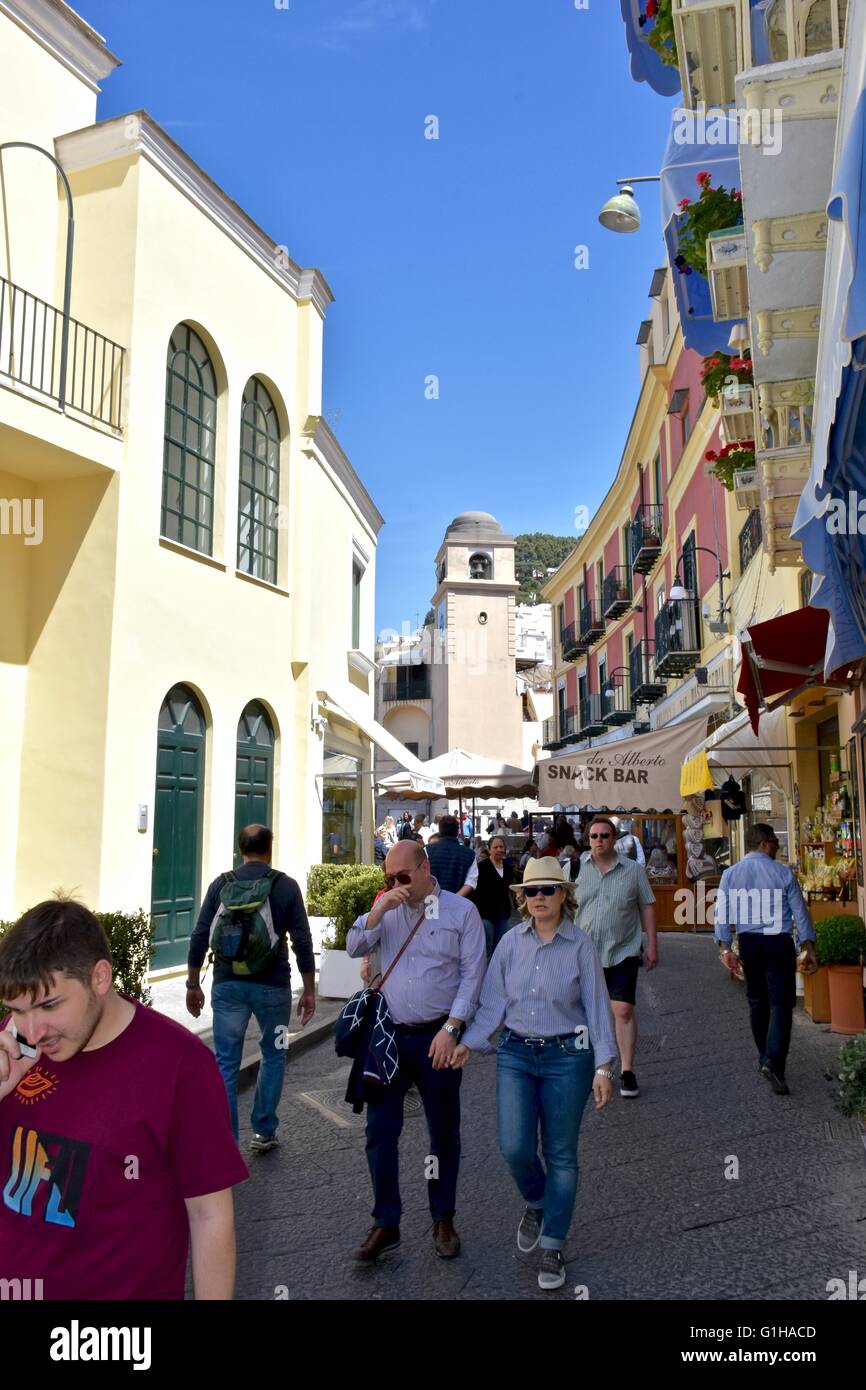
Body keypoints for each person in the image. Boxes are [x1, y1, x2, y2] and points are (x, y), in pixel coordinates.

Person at [0, 898, 248, 1299]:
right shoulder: (13, 1053)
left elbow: (209, 1216)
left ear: (99, 978)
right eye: (16, 1009)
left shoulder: (179, 1065)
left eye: (49, 1005)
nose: (32, 1030)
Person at [451, 857, 616, 1290]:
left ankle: (554, 1245)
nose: (538, 898)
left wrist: (604, 1066)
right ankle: (537, 1201)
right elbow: (492, 1004)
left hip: (568, 1057)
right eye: (531, 891)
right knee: (514, 1147)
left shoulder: (581, 945)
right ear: (522, 899)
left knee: (561, 1153)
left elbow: (599, 1008)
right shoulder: (508, 943)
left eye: (547, 890)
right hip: (517, 1054)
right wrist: (468, 1041)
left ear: (564, 895)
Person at [345, 839, 486, 1262]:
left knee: (442, 1133)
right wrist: (378, 908)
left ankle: (442, 1217)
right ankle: (385, 1221)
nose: (395, 884)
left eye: (403, 877)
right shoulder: (386, 910)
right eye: (388, 878)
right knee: (380, 1132)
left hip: (436, 1037)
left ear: (425, 869)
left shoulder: (462, 912)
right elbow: (354, 946)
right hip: (388, 1037)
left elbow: (472, 974)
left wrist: (453, 1027)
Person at [187, 824, 316, 1151]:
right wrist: (310, 988)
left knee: (226, 1062)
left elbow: (200, 935)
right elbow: (302, 940)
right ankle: (263, 1131)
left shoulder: (221, 884)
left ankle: (228, 1142)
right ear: (269, 849)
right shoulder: (285, 886)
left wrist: (192, 984)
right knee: (274, 1053)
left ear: (240, 848)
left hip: (228, 987)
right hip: (273, 989)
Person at [715, 823, 817, 1095]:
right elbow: (800, 913)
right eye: (774, 841)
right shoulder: (782, 873)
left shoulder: (730, 874)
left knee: (757, 1001)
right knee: (782, 1002)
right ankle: (773, 1061)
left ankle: (765, 1057)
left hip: (749, 942)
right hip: (778, 941)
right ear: (763, 843)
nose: (777, 846)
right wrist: (810, 947)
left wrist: (726, 948)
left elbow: (722, 914)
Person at [574, 815, 658, 1100]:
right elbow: (562, 906)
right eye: (594, 836)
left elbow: (646, 907)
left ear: (614, 839)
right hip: (583, 953)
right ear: (588, 840)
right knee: (584, 1013)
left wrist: (652, 944)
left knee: (622, 1010)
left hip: (623, 949)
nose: (599, 841)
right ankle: (593, 1067)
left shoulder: (633, 871)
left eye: (605, 836)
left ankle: (627, 1070)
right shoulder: (575, 869)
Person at [473, 835, 516, 959]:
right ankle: (485, 975)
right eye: (495, 847)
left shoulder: (508, 868)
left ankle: (496, 974)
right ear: (489, 849)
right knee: (486, 946)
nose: (499, 850)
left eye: (501, 847)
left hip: (503, 913)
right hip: (486, 914)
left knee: (501, 947)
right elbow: (476, 891)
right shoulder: (482, 867)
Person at [427, 814, 477, 897]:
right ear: (457, 831)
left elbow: (420, 877)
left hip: (431, 902)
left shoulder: (426, 851)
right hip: (459, 903)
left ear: (440, 830)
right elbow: (470, 882)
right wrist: (453, 899)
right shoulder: (470, 854)